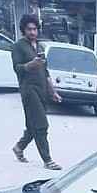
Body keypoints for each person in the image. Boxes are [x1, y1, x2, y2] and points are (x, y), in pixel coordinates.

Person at [11, 14, 62, 170]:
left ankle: (19, 147)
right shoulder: (18, 46)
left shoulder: (40, 47)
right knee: (41, 125)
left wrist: (54, 92)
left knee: (33, 125)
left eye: (34, 29)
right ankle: (48, 160)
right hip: (29, 90)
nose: (32, 32)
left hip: (43, 91)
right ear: (24, 30)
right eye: (29, 29)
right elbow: (17, 69)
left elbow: (45, 72)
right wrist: (31, 64)